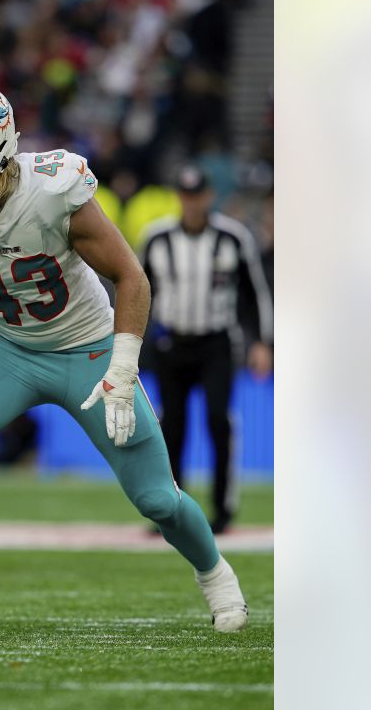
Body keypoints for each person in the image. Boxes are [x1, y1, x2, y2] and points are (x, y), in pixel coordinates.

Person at [0, 82, 249, 632]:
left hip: (88, 351)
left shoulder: (52, 188)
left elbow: (130, 277)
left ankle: (218, 578)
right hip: (7, 350)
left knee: (157, 499)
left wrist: (122, 365)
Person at [139, 165, 273, 535]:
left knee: (219, 421)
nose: (192, 203)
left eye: (197, 195)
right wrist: (131, 339)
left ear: (209, 196)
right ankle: (171, 510)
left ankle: (223, 508)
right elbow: (137, 291)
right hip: (171, 342)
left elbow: (255, 293)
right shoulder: (157, 238)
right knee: (172, 426)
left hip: (216, 342)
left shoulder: (233, 237)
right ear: (178, 197)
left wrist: (263, 341)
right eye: (185, 195)